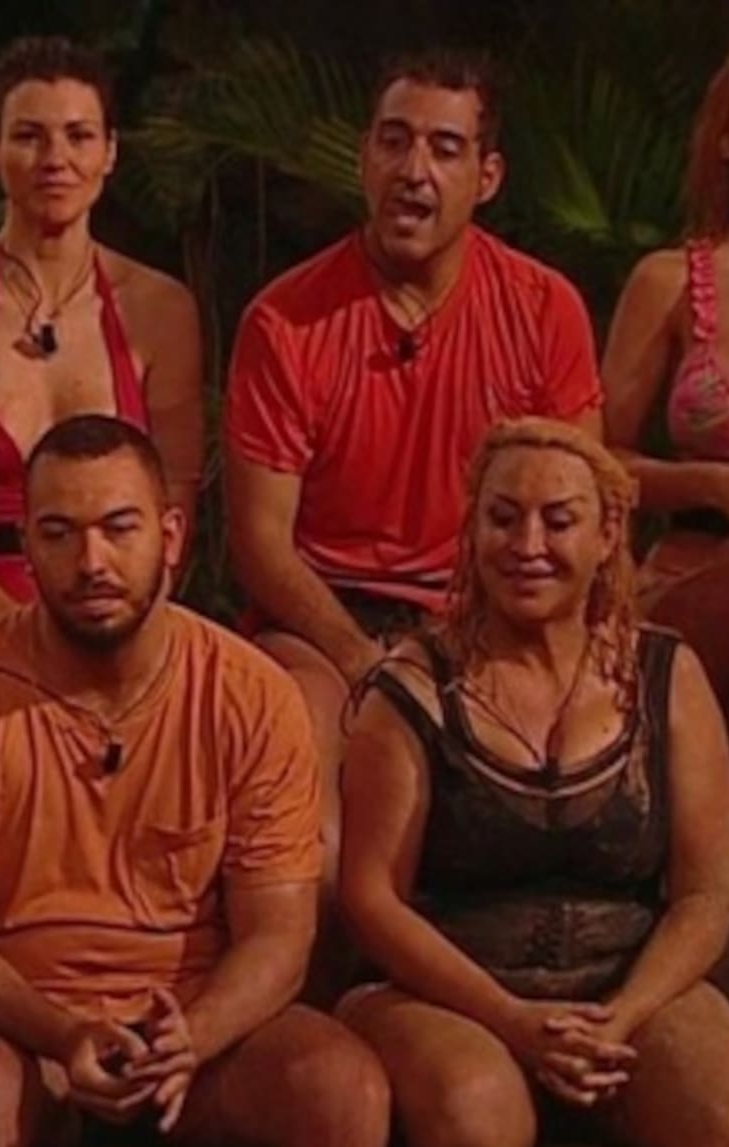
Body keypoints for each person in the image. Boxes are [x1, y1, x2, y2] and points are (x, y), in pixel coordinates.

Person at [0, 415, 389, 1147]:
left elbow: (279, 933)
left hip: (202, 1028)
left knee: (344, 1094)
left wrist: (194, 1036)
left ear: (172, 534)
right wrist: (63, 1032)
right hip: (18, 1032)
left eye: (119, 529)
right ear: (25, 545)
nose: (92, 562)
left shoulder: (252, 694)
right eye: (59, 534)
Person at [224, 47, 603, 995]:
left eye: (444, 147)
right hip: (325, 619)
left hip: (489, 609)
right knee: (307, 789)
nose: (414, 170)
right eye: (394, 142)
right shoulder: (284, 321)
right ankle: (316, 1019)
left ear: (488, 175)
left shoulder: (544, 307)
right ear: (364, 157)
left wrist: (472, 643)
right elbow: (261, 545)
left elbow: (577, 514)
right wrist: (364, 660)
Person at [339, 418, 729, 1147]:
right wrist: (512, 1018)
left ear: (608, 536)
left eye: (559, 520)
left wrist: (625, 1012)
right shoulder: (413, 688)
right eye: (503, 518)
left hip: (628, 981)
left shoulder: (664, 674)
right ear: (472, 530)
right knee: (472, 1112)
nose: (528, 545)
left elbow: (709, 892)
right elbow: (372, 898)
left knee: (727, 1107)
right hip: (452, 993)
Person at [603, 29, 729, 1093]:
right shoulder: (670, 280)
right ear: (725, 133)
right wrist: (718, 485)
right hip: (693, 589)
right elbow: (591, 463)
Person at [0, 35, 204, 695]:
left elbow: (176, 499)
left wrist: (117, 630)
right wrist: (29, 641)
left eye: (78, 136)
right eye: (29, 136)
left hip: (119, 611)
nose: (55, 159)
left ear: (109, 152)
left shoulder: (160, 309)